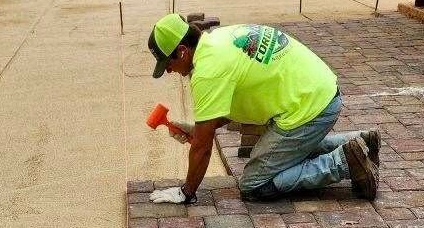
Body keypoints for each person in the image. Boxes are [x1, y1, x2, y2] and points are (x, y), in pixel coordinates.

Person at [146, 14, 380, 204]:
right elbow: (218, 115)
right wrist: (199, 131)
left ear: (183, 51)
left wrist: (186, 192)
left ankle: (344, 162)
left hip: (310, 108)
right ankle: (360, 142)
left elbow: (202, 149)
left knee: (254, 184)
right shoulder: (216, 40)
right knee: (283, 153)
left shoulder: (207, 71)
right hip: (320, 89)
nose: (168, 71)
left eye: (168, 63)